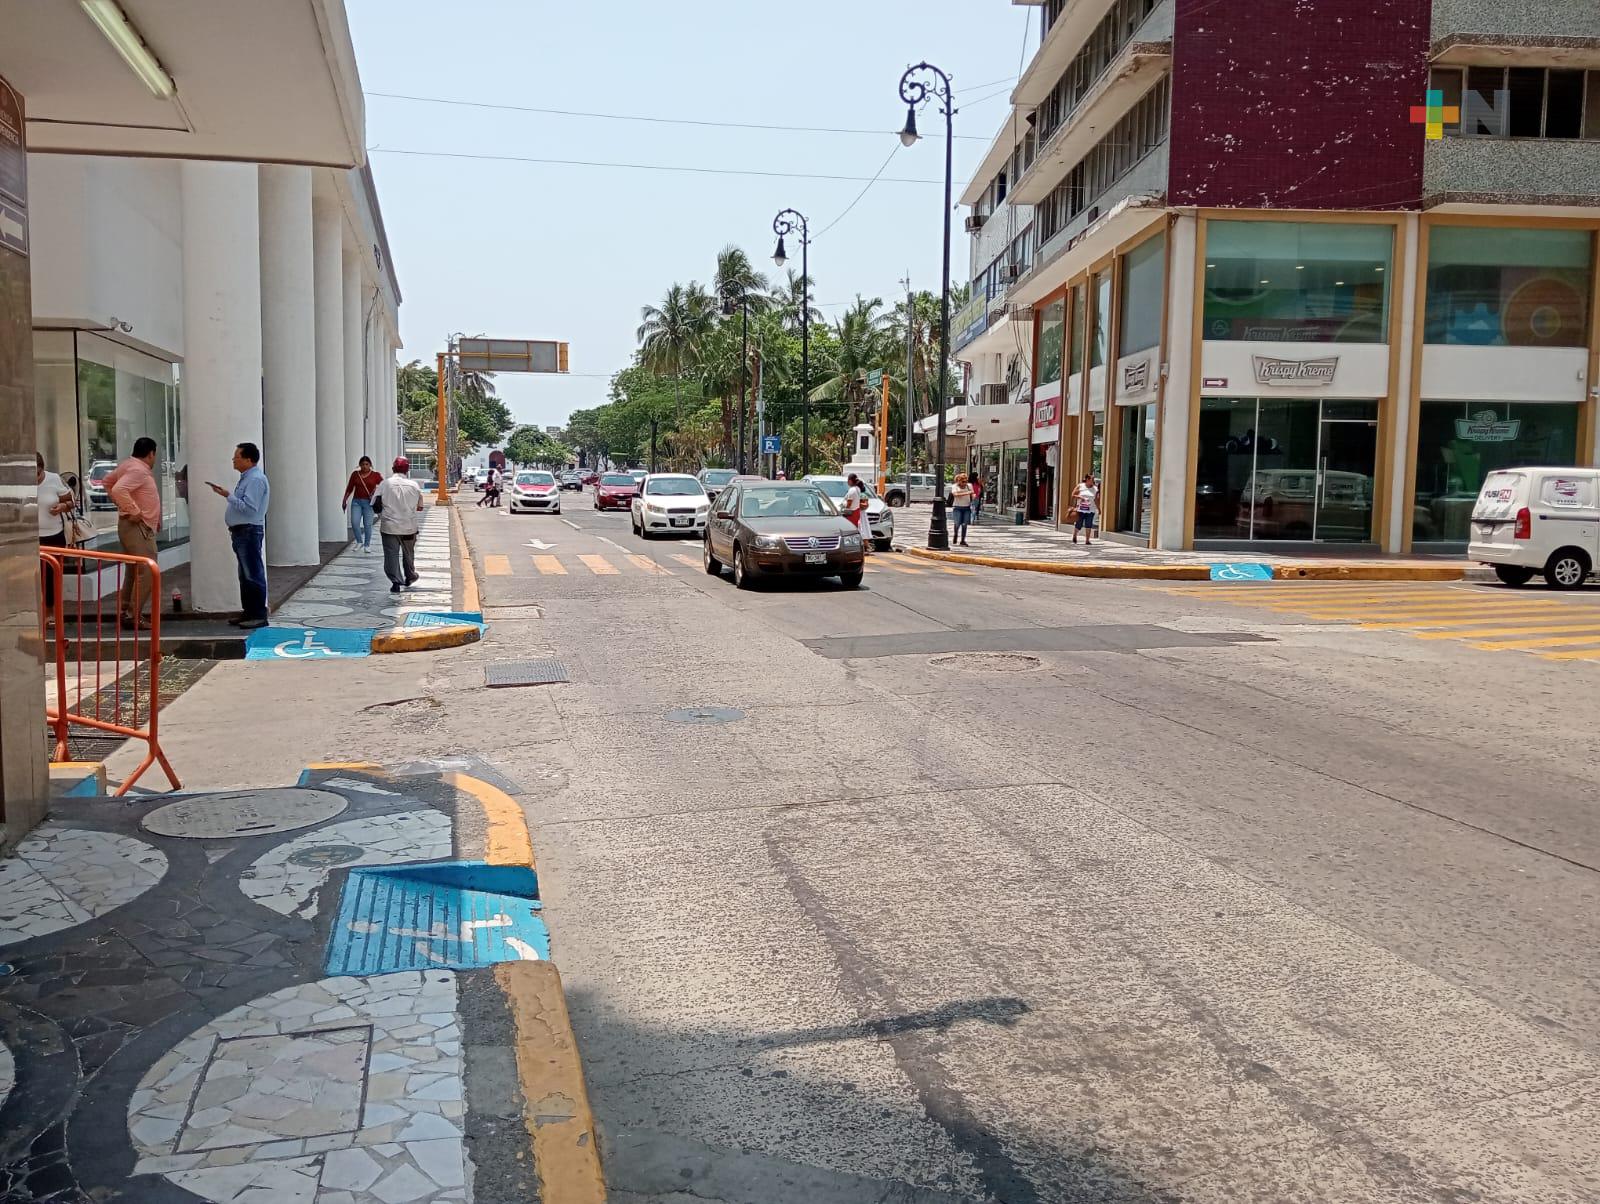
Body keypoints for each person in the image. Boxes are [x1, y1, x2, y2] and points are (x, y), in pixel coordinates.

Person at [209, 442, 271, 629]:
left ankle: (259, 614)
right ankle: (249, 611)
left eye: (237, 457)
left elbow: (250, 508)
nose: (233, 460)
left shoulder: (255, 479)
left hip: (248, 530)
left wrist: (229, 496)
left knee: (253, 573)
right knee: (245, 575)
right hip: (241, 532)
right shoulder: (247, 478)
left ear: (248, 459)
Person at [104, 436, 161, 626]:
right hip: (138, 526)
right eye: (154, 455)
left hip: (136, 526)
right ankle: (132, 615)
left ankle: (126, 611)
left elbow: (108, 482)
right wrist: (133, 510)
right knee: (147, 570)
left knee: (134, 571)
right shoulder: (138, 470)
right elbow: (119, 488)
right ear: (151, 453)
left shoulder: (129, 465)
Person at [375, 456, 424, 594]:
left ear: (393, 469)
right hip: (409, 527)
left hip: (389, 526)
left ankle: (395, 581)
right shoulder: (414, 485)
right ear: (407, 470)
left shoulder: (384, 484)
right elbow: (420, 507)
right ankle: (410, 576)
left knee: (391, 554)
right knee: (408, 553)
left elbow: (376, 506)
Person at [37, 452, 75, 618]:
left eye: (37, 474)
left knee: (52, 577)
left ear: (42, 469)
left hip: (53, 535)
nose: (35, 479)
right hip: (28, 537)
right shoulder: (18, 480)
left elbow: (71, 502)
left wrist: (62, 507)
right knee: (33, 578)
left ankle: (51, 614)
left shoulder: (53, 479)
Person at [342, 455, 382, 552]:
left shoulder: (376, 475)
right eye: (362, 464)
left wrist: (375, 493)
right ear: (359, 465)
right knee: (355, 523)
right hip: (357, 502)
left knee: (367, 524)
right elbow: (350, 488)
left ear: (370, 465)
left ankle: (367, 545)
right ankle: (359, 541)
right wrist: (345, 499)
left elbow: (383, 486)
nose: (364, 466)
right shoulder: (355, 474)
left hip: (369, 503)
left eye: (367, 464)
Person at [1071, 473, 1098, 546]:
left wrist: (1098, 508)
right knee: (1079, 524)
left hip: (1091, 509)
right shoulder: (1080, 486)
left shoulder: (1095, 488)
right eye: (1091, 479)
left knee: (1089, 525)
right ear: (1087, 480)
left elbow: (1095, 499)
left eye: (1093, 479)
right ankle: (1074, 536)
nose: (1093, 481)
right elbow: (1073, 495)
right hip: (1081, 509)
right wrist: (1081, 497)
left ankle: (1087, 540)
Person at [950, 472, 974, 547]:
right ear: (958, 481)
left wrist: (973, 496)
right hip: (957, 507)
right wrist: (967, 493)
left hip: (967, 507)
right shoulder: (955, 486)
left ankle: (963, 540)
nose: (965, 483)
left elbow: (972, 493)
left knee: (964, 524)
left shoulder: (969, 486)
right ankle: (956, 534)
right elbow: (955, 494)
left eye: (966, 481)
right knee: (957, 523)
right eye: (963, 481)